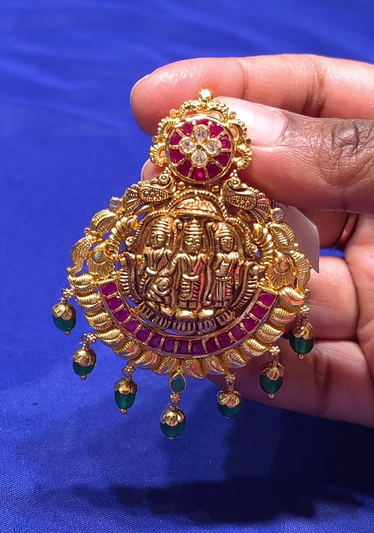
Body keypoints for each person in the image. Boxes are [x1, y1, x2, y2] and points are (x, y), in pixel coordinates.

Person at [130, 54, 374, 427]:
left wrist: (220, 271)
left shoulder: (227, 254)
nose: (193, 246)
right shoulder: (173, 252)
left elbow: (228, 273)